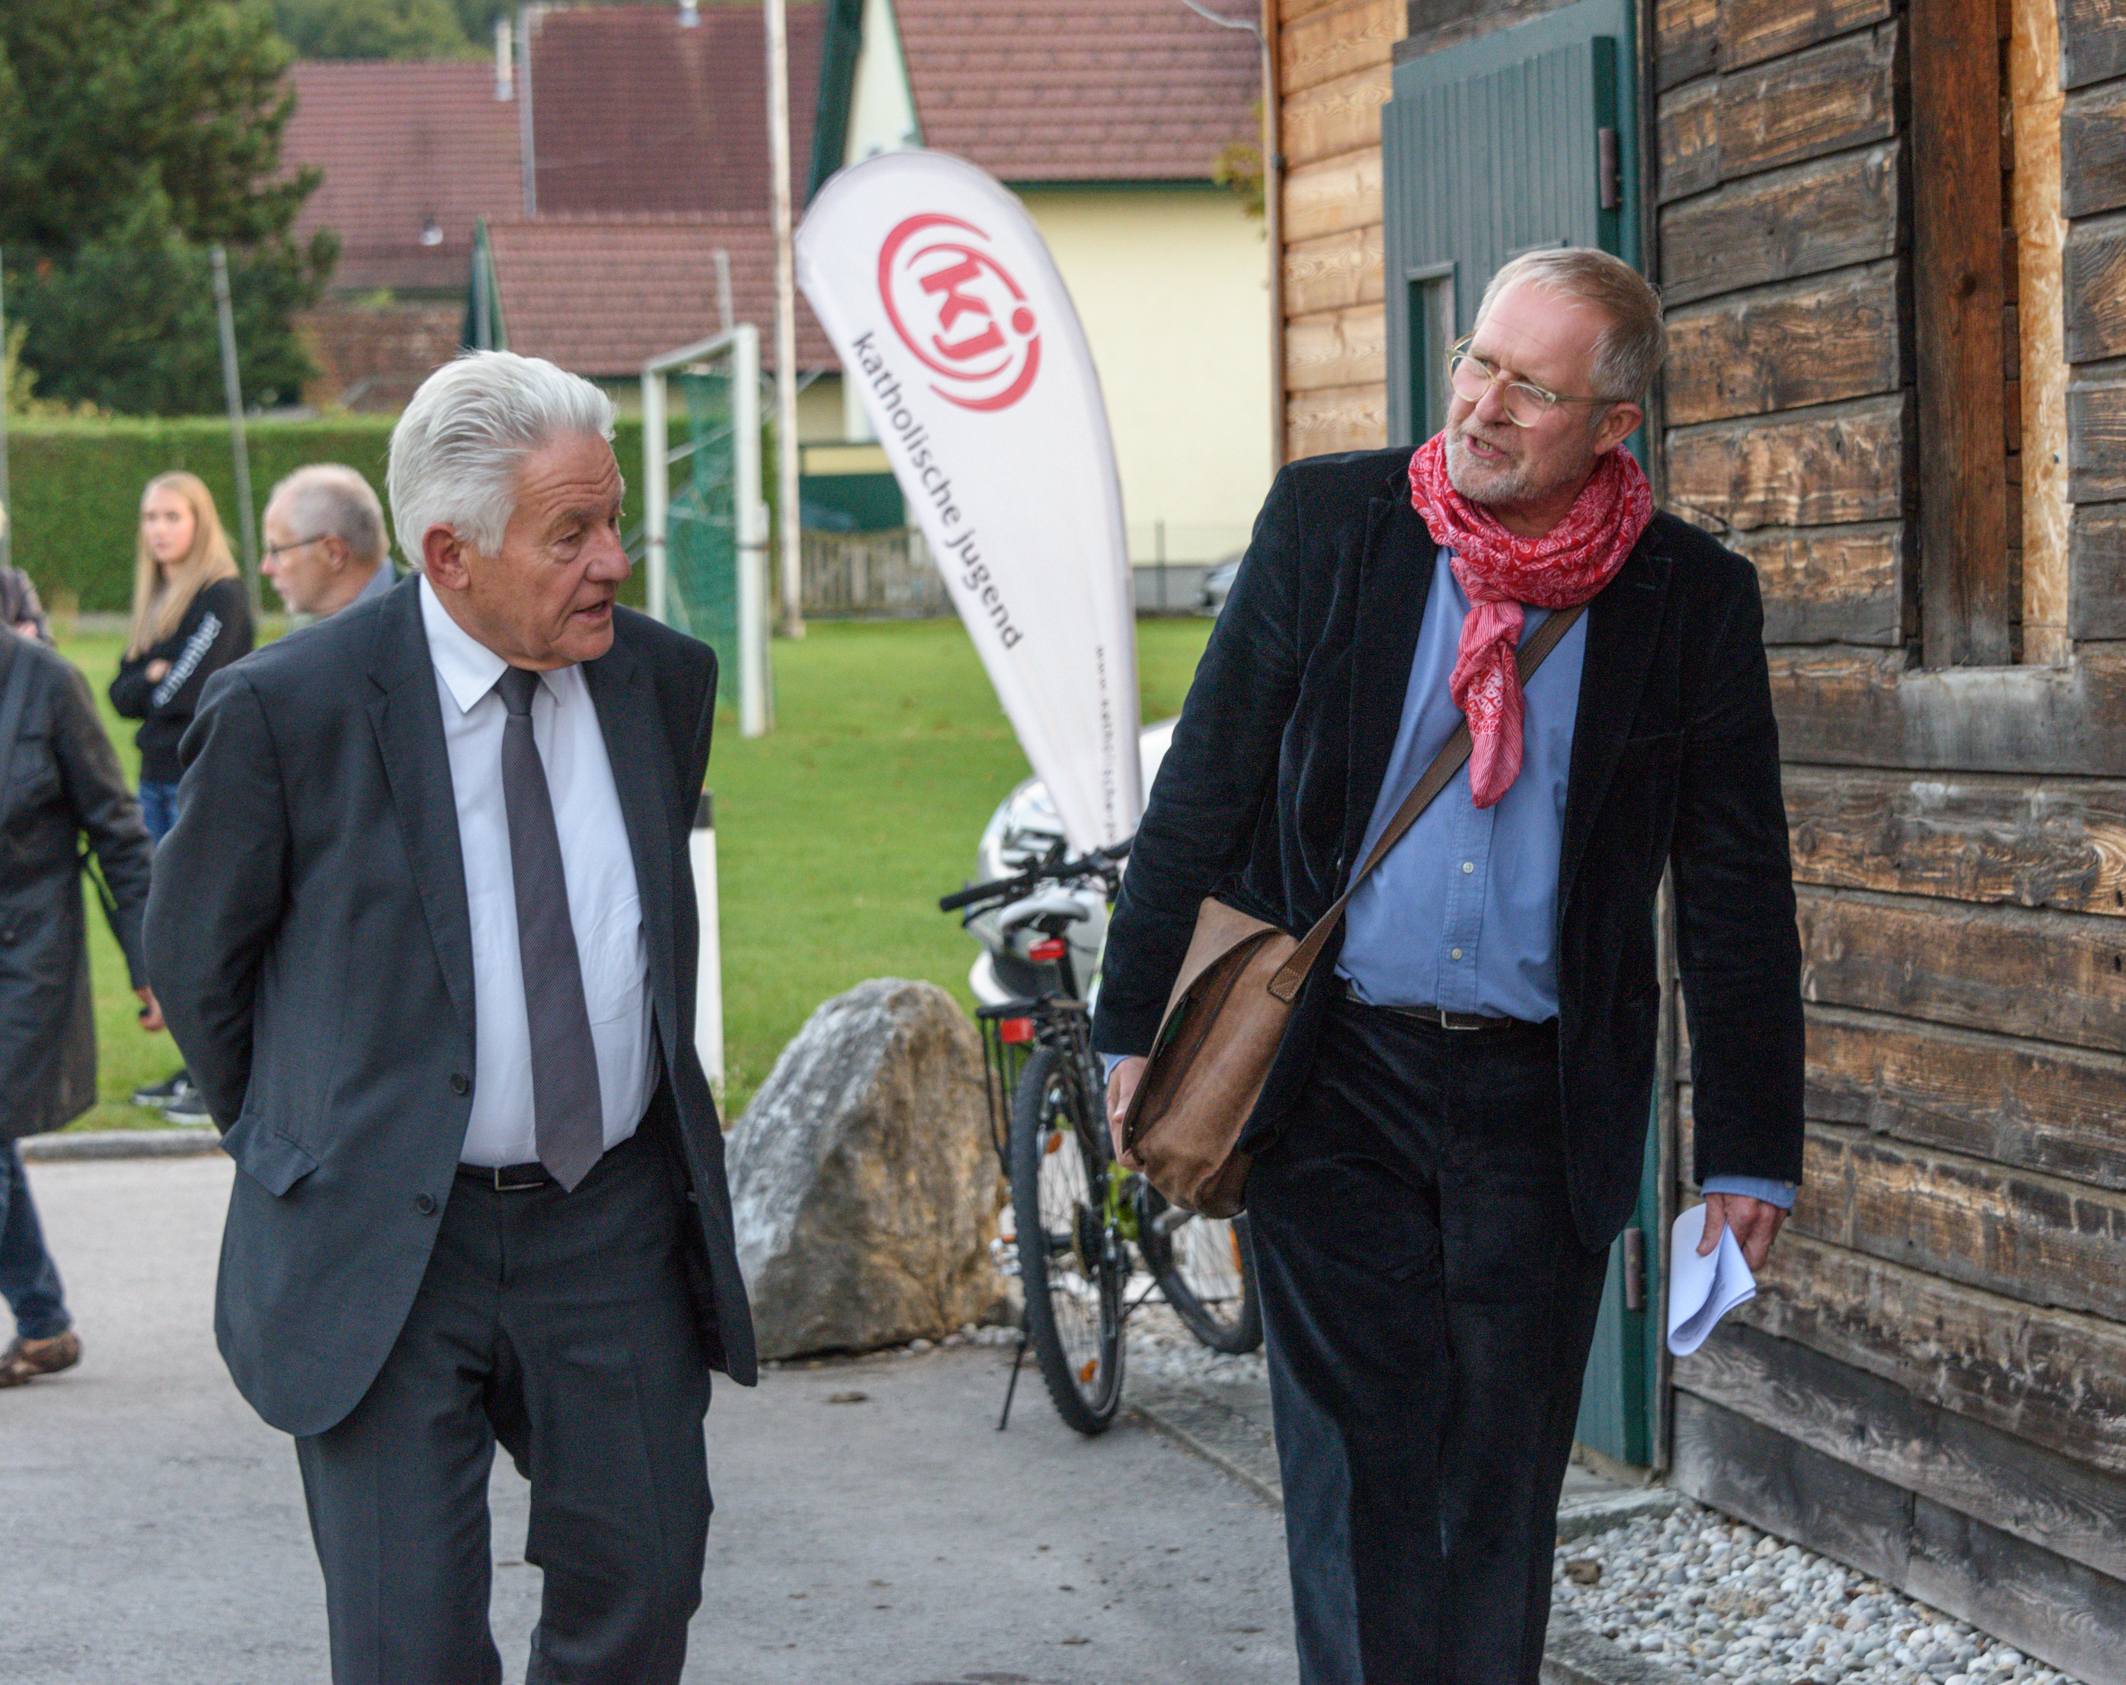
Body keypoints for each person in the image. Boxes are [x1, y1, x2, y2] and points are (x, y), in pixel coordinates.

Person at [1094, 249, 1804, 1684]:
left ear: (1612, 424)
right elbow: (1205, 787)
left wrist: (1748, 1149)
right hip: (1332, 1073)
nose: (1480, 403)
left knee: (1496, 1489)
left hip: (1541, 1103)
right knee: (1357, 1481)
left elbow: (1735, 890)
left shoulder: (1688, 599)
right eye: (1477, 361)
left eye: (1529, 387)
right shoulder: (1332, 523)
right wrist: (1130, 1028)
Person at [146, 350, 755, 1685]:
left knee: (646, 1587)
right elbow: (195, 961)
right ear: (448, 554)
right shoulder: (288, 710)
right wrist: (308, 1133)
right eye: (570, 534)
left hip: (610, 1222)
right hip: (385, 1243)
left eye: (613, 521)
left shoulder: (662, 681)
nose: (612, 561)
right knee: (404, 1645)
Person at [0, 615, 158, 1389]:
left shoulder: (47, 683)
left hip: (27, 954)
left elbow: (119, 833)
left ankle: (43, 1320)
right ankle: (45, 1322)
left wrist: (147, 962)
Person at [111, 471, 252, 1121]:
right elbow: (122, 694)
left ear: (200, 521)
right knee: (164, 929)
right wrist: (149, 680)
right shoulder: (158, 599)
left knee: (204, 928)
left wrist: (151, 680)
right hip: (154, 779)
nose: (159, 529)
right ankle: (193, 1066)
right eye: (150, 517)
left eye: (172, 516)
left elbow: (181, 695)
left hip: (197, 778)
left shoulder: (221, 596)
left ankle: (216, 1075)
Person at [260, 462, 396, 618]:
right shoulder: (303, 624)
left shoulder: (417, 612)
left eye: (277, 551)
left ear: (333, 553)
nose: (266, 568)